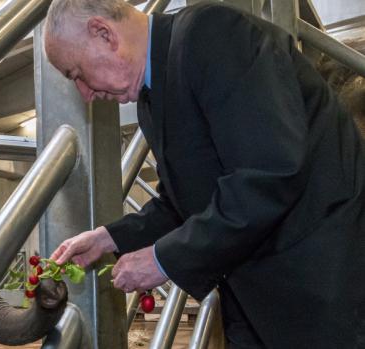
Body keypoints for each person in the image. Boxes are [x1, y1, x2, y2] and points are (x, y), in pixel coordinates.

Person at [43, 0, 365, 348]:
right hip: (260, 297)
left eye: (77, 74)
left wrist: (164, 260)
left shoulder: (211, 34)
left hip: (320, 289)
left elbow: (269, 172)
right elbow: (183, 203)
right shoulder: (151, 97)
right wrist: (108, 238)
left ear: (104, 34)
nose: (86, 94)